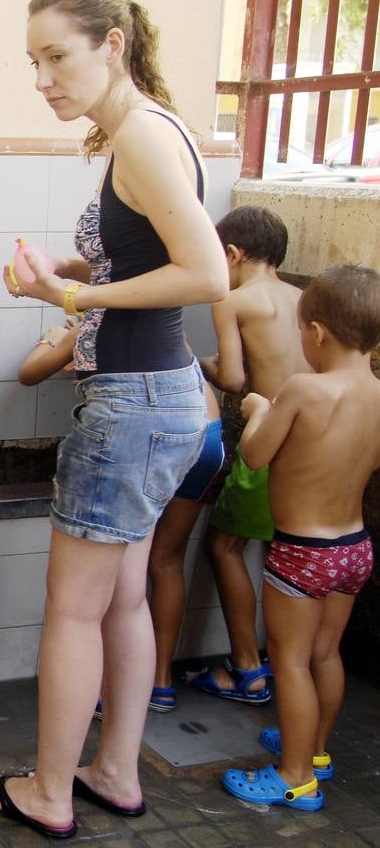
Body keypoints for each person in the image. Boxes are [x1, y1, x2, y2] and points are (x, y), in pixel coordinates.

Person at [0, 0, 227, 840]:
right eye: (32, 61)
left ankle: (46, 791)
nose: (42, 78)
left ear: (111, 43)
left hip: (131, 400)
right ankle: (112, 770)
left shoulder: (142, 142)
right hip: (162, 397)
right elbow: (146, 261)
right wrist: (67, 278)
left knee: (75, 609)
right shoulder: (147, 130)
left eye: (56, 56)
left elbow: (204, 274)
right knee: (119, 599)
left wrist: (74, 305)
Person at [220, 264, 380, 812]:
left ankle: (293, 777)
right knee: (326, 655)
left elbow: (255, 454)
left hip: (302, 553)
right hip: (354, 547)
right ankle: (313, 752)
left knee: (288, 660)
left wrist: (259, 408)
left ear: (317, 333)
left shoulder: (303, 390)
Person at [20, 323, 224, 713]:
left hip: (139, 441)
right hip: (202, 432)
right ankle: (160, 682)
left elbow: (29, 373)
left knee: (100, 588)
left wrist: (53, 338)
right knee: (164, 562)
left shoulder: (94, 322)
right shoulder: (164, 323)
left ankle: (97, 688)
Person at [187, 205, 310, 705]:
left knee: (223, 546)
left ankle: (247, 668)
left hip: (270, 439)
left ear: (232, 255)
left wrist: (195, 362)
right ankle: (287, 666)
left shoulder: (232, 299)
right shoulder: (304, 298)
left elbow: (236, 378)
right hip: (312, 444)